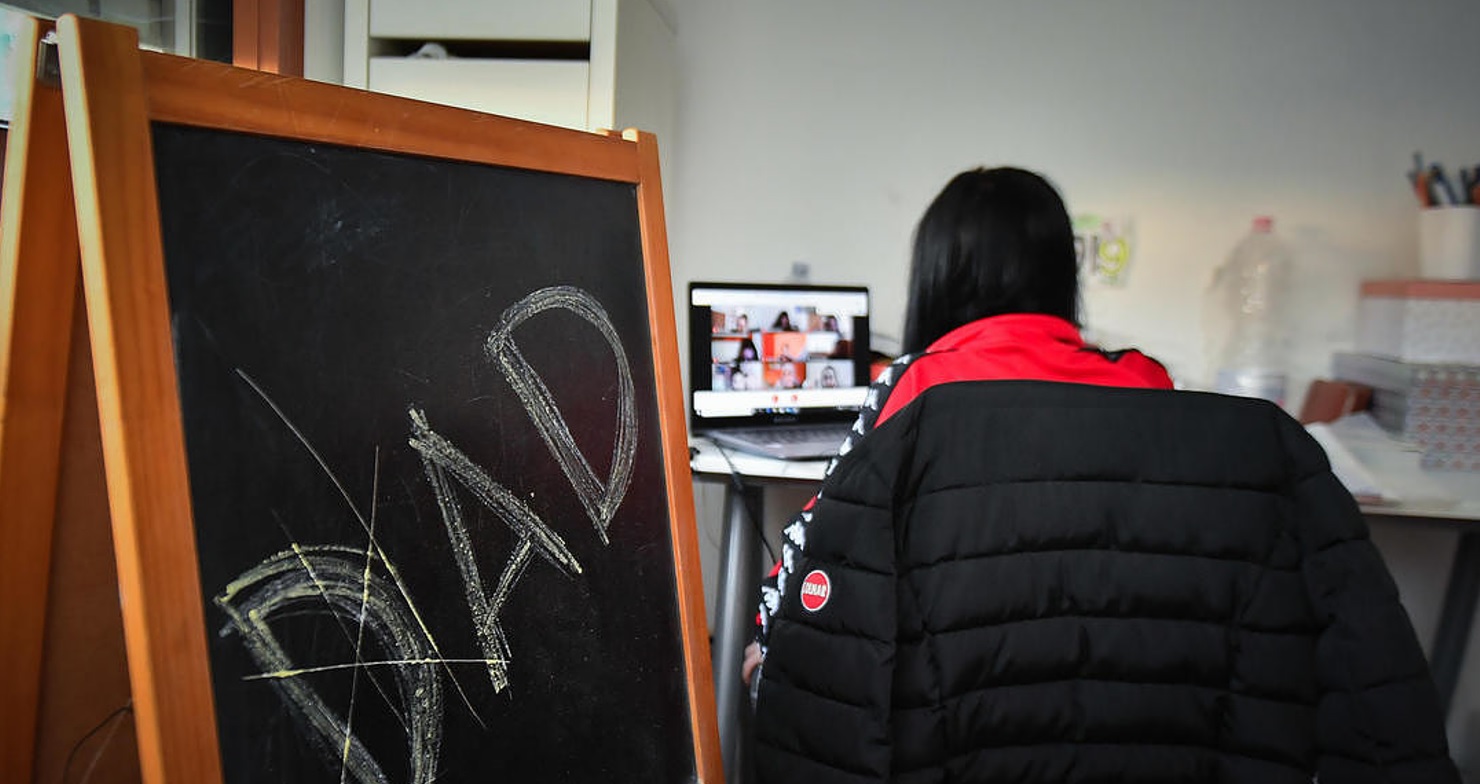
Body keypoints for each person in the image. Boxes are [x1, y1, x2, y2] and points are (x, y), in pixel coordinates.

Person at [746, 167, 1458, 783]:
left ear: (935, 276)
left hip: (953, 742)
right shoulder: (1151, 385)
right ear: (1062, 272)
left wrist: (761, 646)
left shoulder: (911, 393)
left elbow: (820, 566)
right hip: (1166, 742)